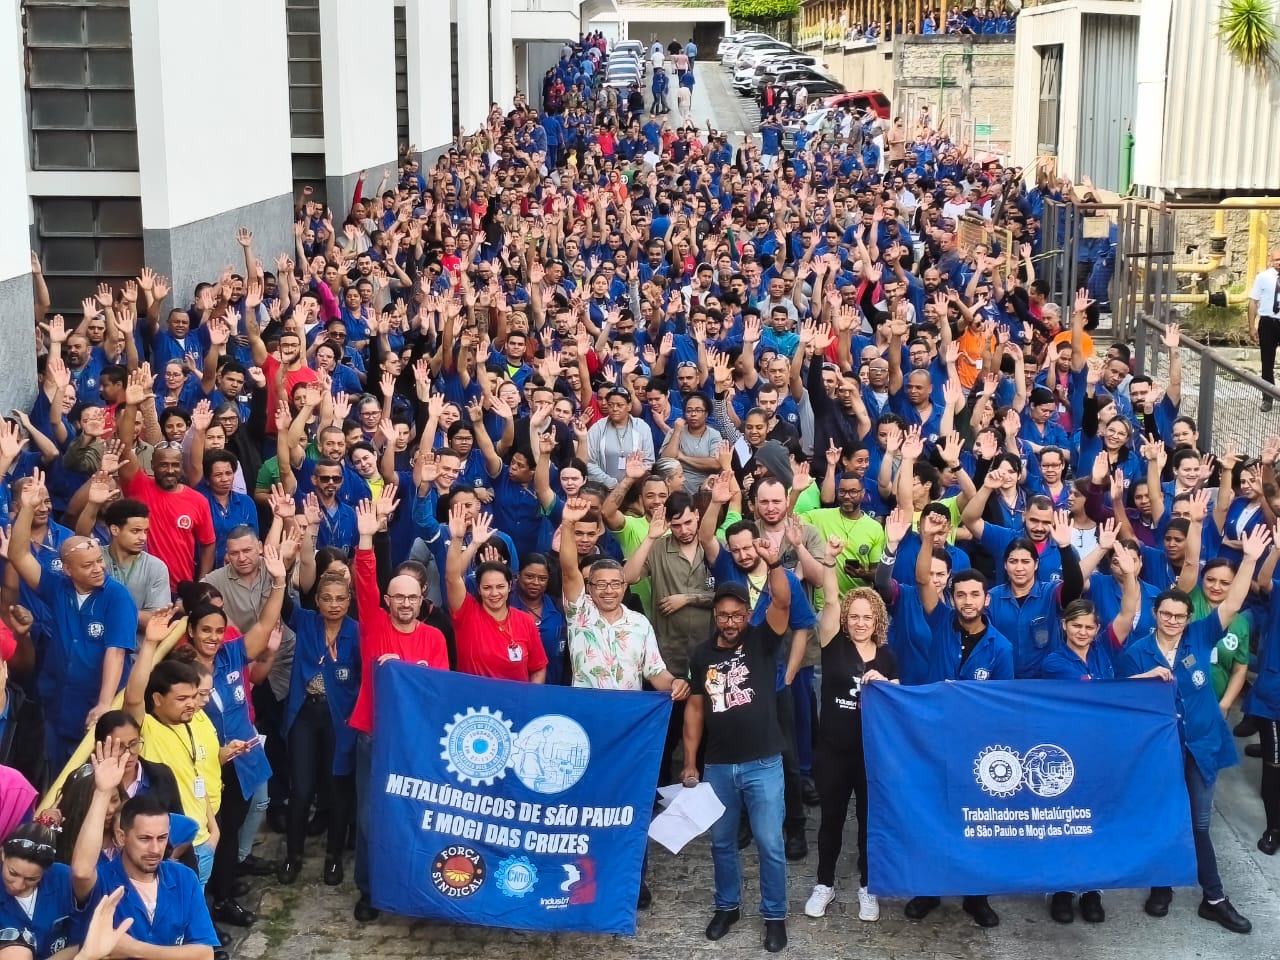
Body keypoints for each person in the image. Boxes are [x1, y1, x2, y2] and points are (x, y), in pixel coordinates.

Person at [1116, 523, 1270, 934]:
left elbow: (1232, 602)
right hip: (1160, 753)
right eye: (1166, 614)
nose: (1172, 620)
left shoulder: (1201, 636)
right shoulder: (1136, 653)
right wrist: (1143, 679)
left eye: (1179, 616)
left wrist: (1249, 560)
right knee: (1166, 816)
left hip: (1201, 745)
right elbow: (1118, 699)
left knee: (1200, 824)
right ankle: (1161, 886)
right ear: (1155, 615)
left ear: (1189, 618)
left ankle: (1213, 898)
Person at [558, 497, 688, 908]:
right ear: (590, 588)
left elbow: (655, 672)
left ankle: (633, 880)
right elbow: (567, 567)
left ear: (625, 587)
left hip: (627, 734)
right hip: (585, 730)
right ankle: (581, 877)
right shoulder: (579, 614)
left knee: (630, 806)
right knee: (586, 806)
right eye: (601, 584)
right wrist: (568, 523)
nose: (609, 590)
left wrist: (675, 683)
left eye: (616, 584)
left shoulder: (640, 624)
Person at [681, 536, 797, 954]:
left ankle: (774, 915)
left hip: (763, 763)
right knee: (721, 843)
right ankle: (727, 907)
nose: (729, 622)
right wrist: (690, 762)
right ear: (715, 616)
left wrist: (774, 564)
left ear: (748, 614)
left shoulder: (762, 640)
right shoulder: (701, 655)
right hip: (718, 767)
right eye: (723, 616)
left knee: (770, 843)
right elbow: (695, 709)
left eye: (736, 615)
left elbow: (782, 602)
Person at [349, 498, 449, 924]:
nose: (405, 603)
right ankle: (370, 890)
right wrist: (366, 537)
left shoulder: (435, 639)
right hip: (374, 736)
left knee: (415, 817)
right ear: (387, 601)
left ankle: (414, 886)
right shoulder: (373, 626)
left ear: (423, 599)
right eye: (398, 597)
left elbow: (439, 692)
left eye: (412, 597)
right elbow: (364, 580)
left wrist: (405, 672)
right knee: (370, 818)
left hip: (417, 743)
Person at [7, 468, 138, 768]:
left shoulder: (117, 597)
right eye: (87, 565)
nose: (97, 569)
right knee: (53, 774)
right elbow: (19, 555)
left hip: (94, 709)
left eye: (99, 562)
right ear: (68, 570)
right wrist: (27, 509)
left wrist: (104, 703)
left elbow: (116, 652)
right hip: (56, 703)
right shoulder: (57, 586)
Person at [803, 554, 897, 924]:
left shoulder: (887, 657)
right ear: (846, 619)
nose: (860, 623)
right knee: (831, 819)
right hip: (833, 751)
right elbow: (829, 599)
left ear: (877, 620)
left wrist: (886, 683)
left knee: (869, 822)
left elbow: (899, 701)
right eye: (854, 616)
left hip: (871, 754)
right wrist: (829, 562)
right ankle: (824, 884)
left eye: (866, 617)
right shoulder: (833, 643)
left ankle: (868, 886)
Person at [70, 738, 218, 960]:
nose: (155, 849)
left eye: (162, 838)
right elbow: (81, 872)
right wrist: (102, 793)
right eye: (145, 838)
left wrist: (132, 949)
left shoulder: (183, 878)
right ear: (122, 837)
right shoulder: (103, 881)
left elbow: (205, 954)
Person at [278, 572, 360, 887]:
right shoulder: (306, 622)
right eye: (327, 598)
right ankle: (293, 856)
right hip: (305, 715)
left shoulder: (357, 632)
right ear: (317, 601)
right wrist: (281, 571)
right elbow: (283, 604)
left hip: (340, 720)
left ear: (349, 600)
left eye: (340, 598)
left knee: (337, 790)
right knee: (300, 790)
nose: (334, 604)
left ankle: (334, 857)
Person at [444, 507, 547, 682]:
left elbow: (538, 668)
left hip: (515, 699)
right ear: (478, 589)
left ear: (510, 586)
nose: (494, 593)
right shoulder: (467, 613)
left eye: (500, 587)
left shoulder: (525, 621)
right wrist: (461, 540)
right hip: (474, 699)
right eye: (487, 587)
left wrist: (532, 696)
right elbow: (452, 577)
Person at [0, 822, 79, 960]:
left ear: (46, 870)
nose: (18, 885)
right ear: (2, 854)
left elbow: (87, 935)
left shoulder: (64, 879)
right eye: (13, 873)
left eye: (31, 879)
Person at [1248, 247, 1280, 410]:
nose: (1279, 263)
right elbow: (1253, 302)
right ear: (1271, 261)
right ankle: (1267, 398)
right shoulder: (1263, 277)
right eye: (1277, 260)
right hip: (1268, 323)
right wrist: (1252, 326)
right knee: (1267, 363)